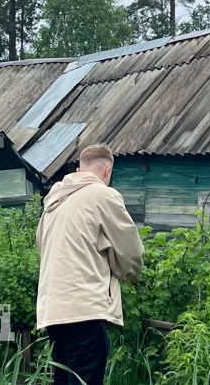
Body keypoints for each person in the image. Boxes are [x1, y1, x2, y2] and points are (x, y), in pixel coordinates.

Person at [35, 144, 144, 385]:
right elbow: (129, 249)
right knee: (86, 378)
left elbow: (42, 244)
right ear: (107, 172)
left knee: (64, 379)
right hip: (83, 307)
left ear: (78, 170)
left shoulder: (53, 202)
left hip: (52, 308)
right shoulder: (102, 195)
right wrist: (131, 275)